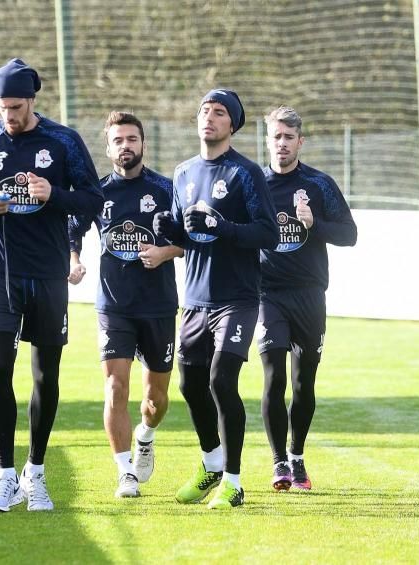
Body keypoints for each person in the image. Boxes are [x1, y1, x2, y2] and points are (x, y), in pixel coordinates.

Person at [0, 58, 104, 512]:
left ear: (33, 101)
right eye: (4, 107)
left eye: (17, 107)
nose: (10, 116)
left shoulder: (62, 141)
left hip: (46, 271)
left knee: (46, 373)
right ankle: (2, 475)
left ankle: (35, 473)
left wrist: (52, 195)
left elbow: (94, 197)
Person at [153, 88, 277, 509]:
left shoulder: (245, 173)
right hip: (195, 298)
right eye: (204, 111)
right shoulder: (184, 172)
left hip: (237, 298)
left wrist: (222, 226)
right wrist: (170, 230)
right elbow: (190, 237)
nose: (209, 117)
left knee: (221, 380)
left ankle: (234, 482)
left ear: (233, 125)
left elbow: (268, 233)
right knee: (189, 384)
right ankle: (211, 464)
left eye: (219, 112)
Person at [68, 111, 183, 498]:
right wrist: (74, 260)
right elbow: (73, 231)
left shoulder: (167, 189)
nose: (126, 146)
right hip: (114, 306)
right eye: (118, 140)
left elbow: (193, 240)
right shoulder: (97, 192)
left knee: (156, 400)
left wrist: (165, 252)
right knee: (115, 387)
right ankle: (124, 473)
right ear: (109, 147)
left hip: (159, 305)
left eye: (132, 139)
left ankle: (145, 436)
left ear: (143, 144)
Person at [257, 107, 357, 491]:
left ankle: (297, 457)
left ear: (300, 141)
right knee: (273, 377)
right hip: (267, 294)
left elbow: (349, 234)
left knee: (304, 382)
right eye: (275, 137)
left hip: (310, 295)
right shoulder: (253, 184)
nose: (281, 144)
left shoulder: (319, 184)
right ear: (267, 140)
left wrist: (314, 224)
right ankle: (279, 462)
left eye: (288, 137)